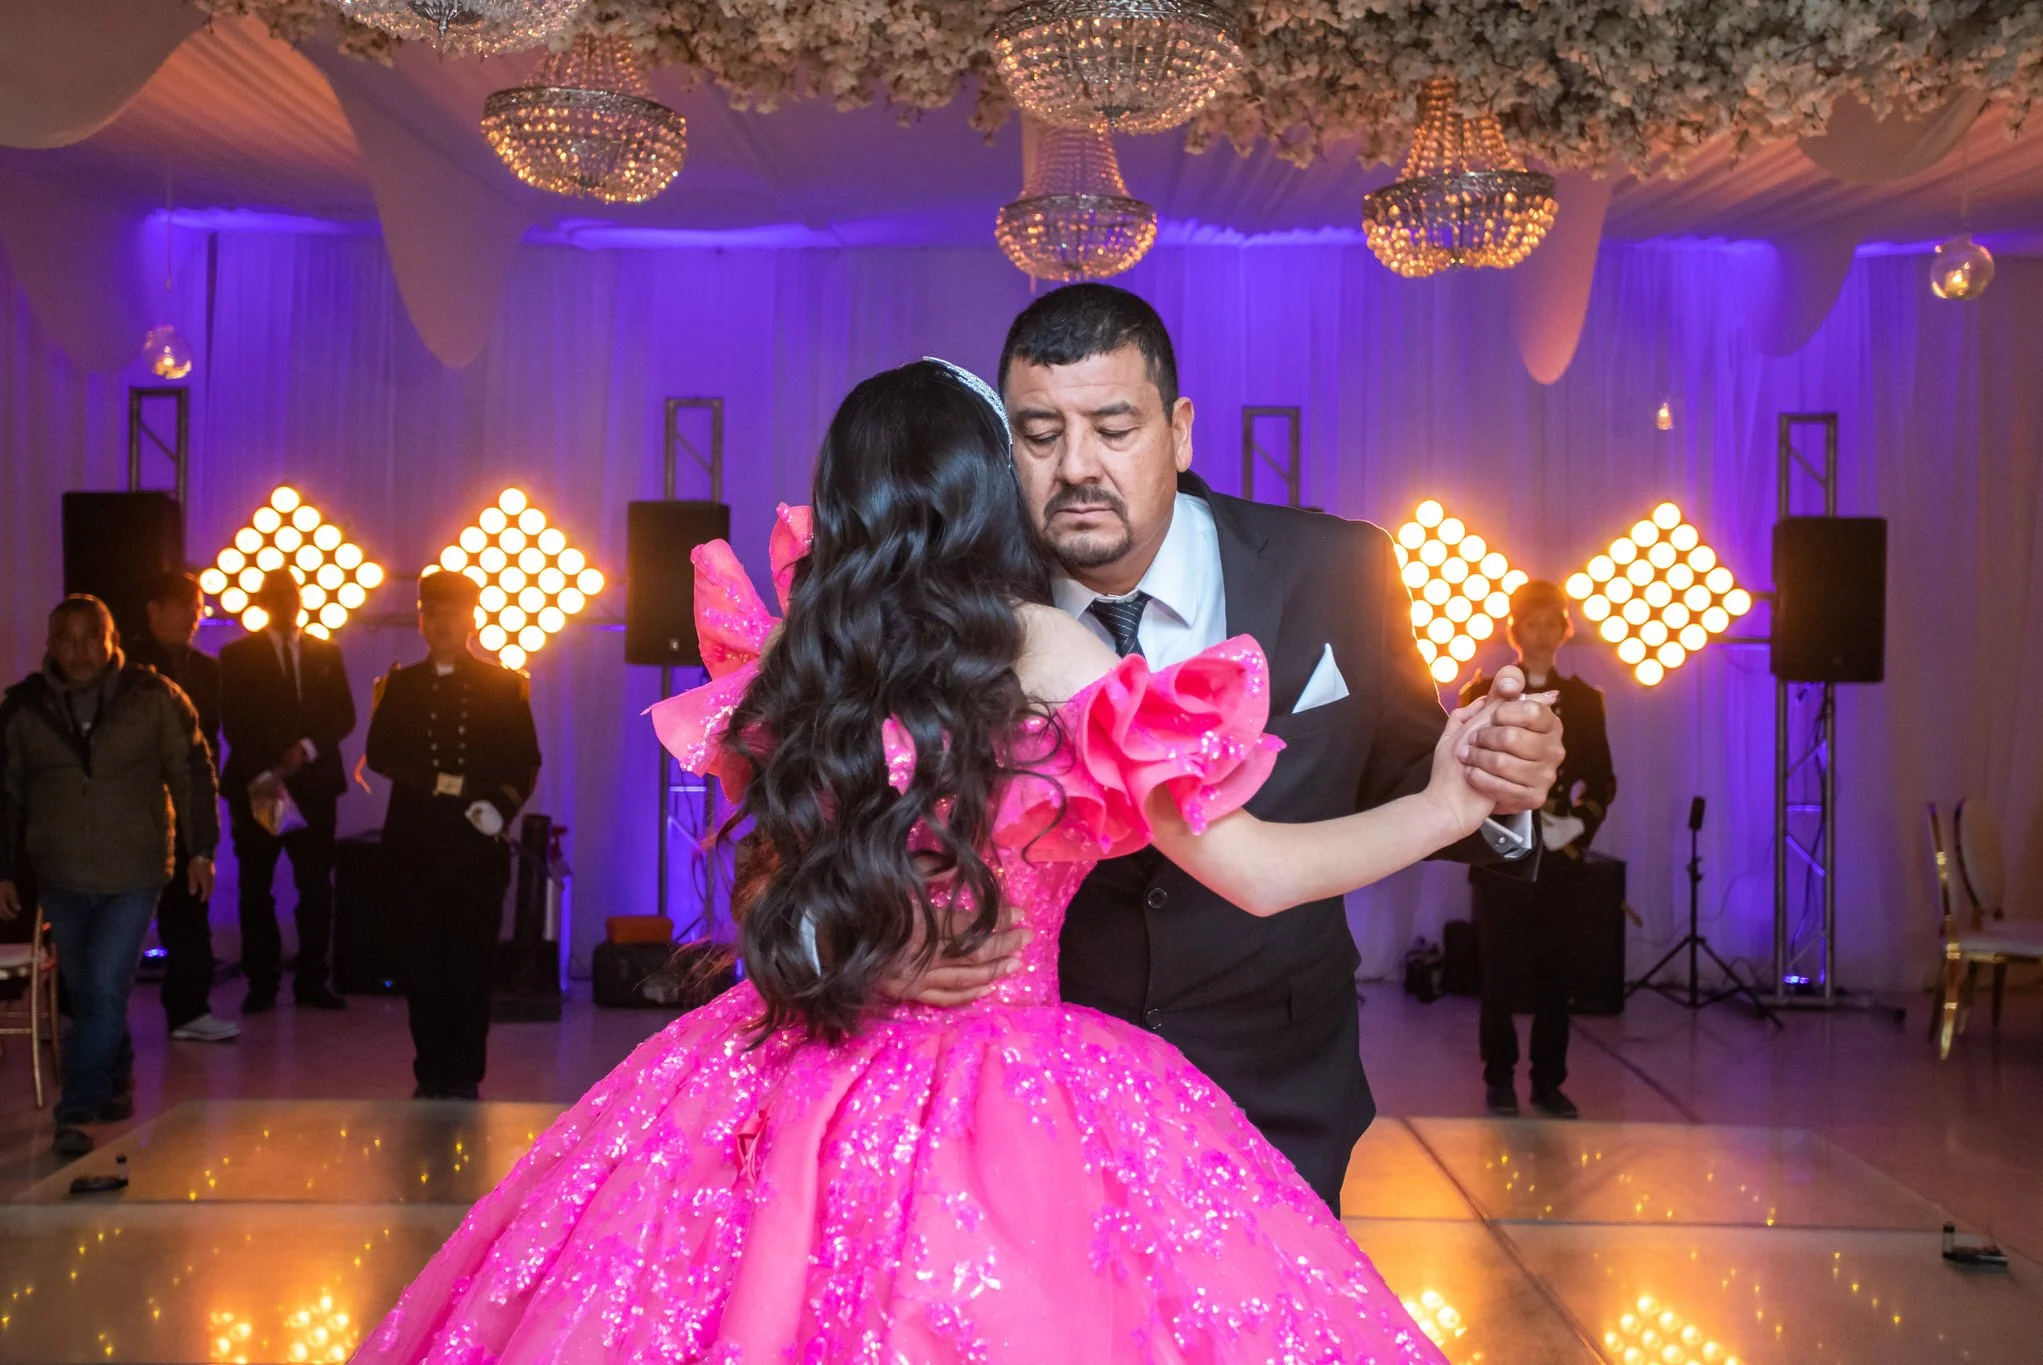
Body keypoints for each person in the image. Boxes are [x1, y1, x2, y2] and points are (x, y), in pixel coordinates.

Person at [359, 360, 1519, 1361]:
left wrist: (855, 954)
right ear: (986, 495)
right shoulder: (1050, 651)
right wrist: (1445, 804)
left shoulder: (805, 655)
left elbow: (768, 889)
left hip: (797, 1073)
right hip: (1020, 1089)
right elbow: (1254, 871)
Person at [882, 283, 1564, 1213]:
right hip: (1039, 1102)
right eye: (1040, 435)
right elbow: (861, 828)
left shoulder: (1339, 569)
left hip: (1276, 1086)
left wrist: (1499, 778)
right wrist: (884, 951)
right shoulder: (970, 604)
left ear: (1179, 432)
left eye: (1114, 429)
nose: (1077, 467)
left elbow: (1406, 772)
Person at [0, 595, 217, 1157]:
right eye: (66, 639)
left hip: (134, 870)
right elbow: (6, 793)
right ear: (50, 645)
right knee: (90, 988)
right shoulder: (25, 709)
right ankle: (116, 1075)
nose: (79, 651)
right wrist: (4, 870)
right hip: (60, 872)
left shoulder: (154, 697)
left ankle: (77, 1108)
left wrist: (201, 850)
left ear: (112, 640)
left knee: (100, 986)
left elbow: (192, 769)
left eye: (90, 637)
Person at [364, 569, 541, 1100]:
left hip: (474, 845)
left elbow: (525, 760)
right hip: (415, 843)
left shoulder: (502, 684)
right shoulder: (401, 685)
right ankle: (429, 1068)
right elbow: (379, 753)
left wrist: (501, 808)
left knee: (470, 959)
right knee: (421, 961)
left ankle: (465, 1070)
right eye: (433, 614)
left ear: (471, 621)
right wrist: (440, 781)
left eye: (453, 614)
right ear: (421, 621)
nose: (442, 624)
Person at [1461, 579, 1617, 1119]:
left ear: (1565, 630)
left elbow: (1602, 779)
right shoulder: (1487, 691)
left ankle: (1549, 1082)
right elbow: (1465, 765)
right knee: (1498, 972)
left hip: (1558, 859)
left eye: (1553, 623)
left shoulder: (1585, 701)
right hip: (1501, 853)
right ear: (1516, 630)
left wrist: (1577, 826)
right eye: (1533, 623)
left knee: (1558, 974)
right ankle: (1498, 1078)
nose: (1543, 633)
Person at [219, 568, 356, 1013]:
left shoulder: (325, 653)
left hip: (314, 786)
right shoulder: (238, 655)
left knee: (315, 886)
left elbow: (343, 714)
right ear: (262, 603)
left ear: (301, 601)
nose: (285, 604)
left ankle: (312, 978)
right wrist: (274, 763)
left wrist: (306, 748)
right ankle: (262, 982)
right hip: (262, 783)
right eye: (276, 597)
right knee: (257, 886)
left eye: (291, 596)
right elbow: (234, 721)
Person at [127, 571, 239, 1043]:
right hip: (134, 803)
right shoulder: (127, 665)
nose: (194, 616)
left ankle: (190, 1008)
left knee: (190, 903)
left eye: (197, 607)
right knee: (119, 907)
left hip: (187, 798)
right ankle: (84, 1009)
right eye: (184, 606)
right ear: (155, 609)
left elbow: (208, 742)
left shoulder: (207, 669)